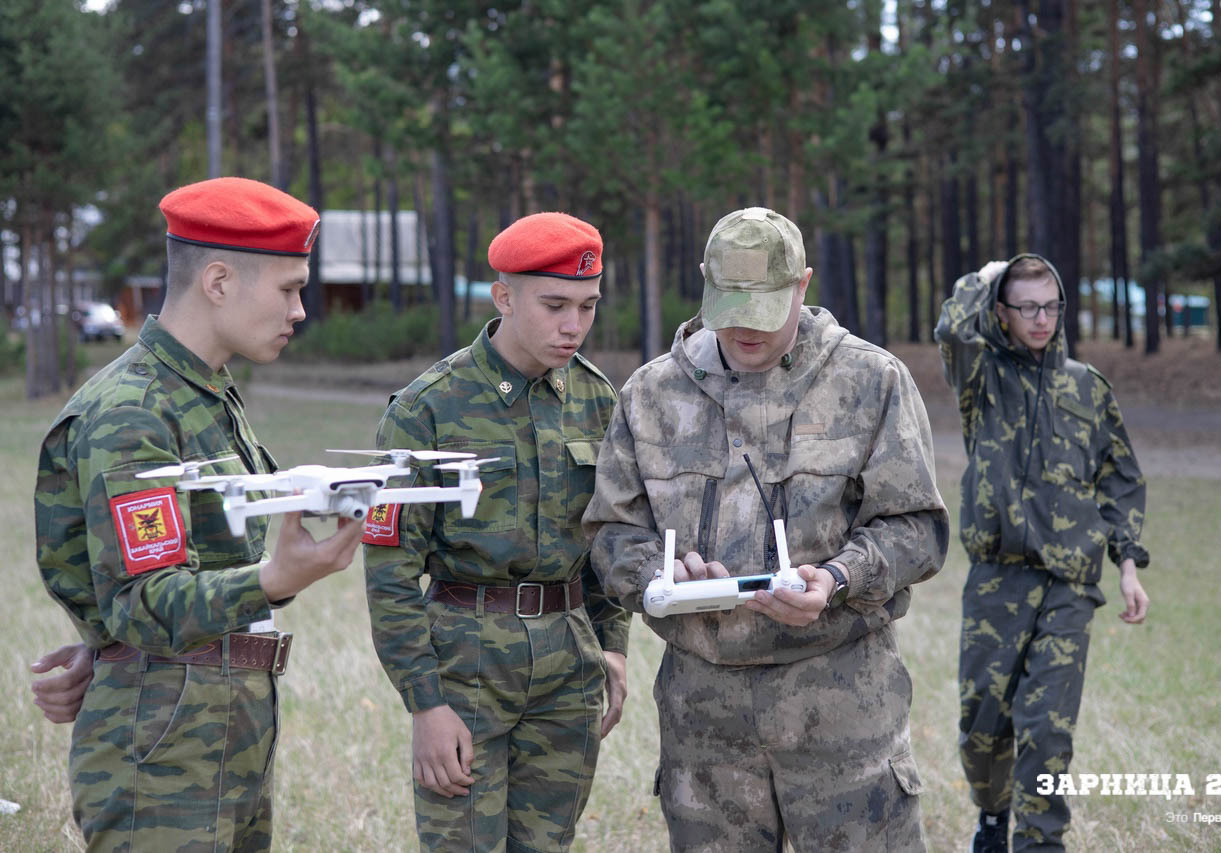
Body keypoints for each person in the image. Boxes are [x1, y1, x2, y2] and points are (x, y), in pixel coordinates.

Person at [583, 207, 948, 851]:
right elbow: (612, 534)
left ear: (803, 285)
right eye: (730, 303)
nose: (746, 327)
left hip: (842, 709)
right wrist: (658, 577)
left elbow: (916, 527)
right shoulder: (650, 395)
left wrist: (837, 577)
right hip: (704, 719)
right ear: (703, 280)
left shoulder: (870, 381)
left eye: (766, 306)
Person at [32, 176, 366, 851]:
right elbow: (141, 599)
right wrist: (274, 577)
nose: (300, 309)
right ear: (218, 280)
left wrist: (106, 647)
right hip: (162, 746)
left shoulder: (206, 395)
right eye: (288, 288)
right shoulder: (133, 409)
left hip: (217, 724)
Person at [362, 212, 630, 852]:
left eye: (588, 306)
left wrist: (613, 646)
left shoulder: (598, 401)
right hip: (465, 661)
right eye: (555, 304)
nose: (574, 326)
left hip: (569, 660)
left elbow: (612, 539)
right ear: (504, 296)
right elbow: (390, 572)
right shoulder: (428, 407)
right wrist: (425, 704)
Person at [935, 254, 1151, 853]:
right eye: (1026, 306)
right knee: (983, 731)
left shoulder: (1087, 387)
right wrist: (981, 278)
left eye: (1051, 305)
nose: (1041, 318)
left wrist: (1128, 566)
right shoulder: (981, 377)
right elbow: (953, 328)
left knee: (1046, 732)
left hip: (1068, 586)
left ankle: (1038, 843)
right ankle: (992, 812)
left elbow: (1121, 479)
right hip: (996, 582)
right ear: (1002, 314)